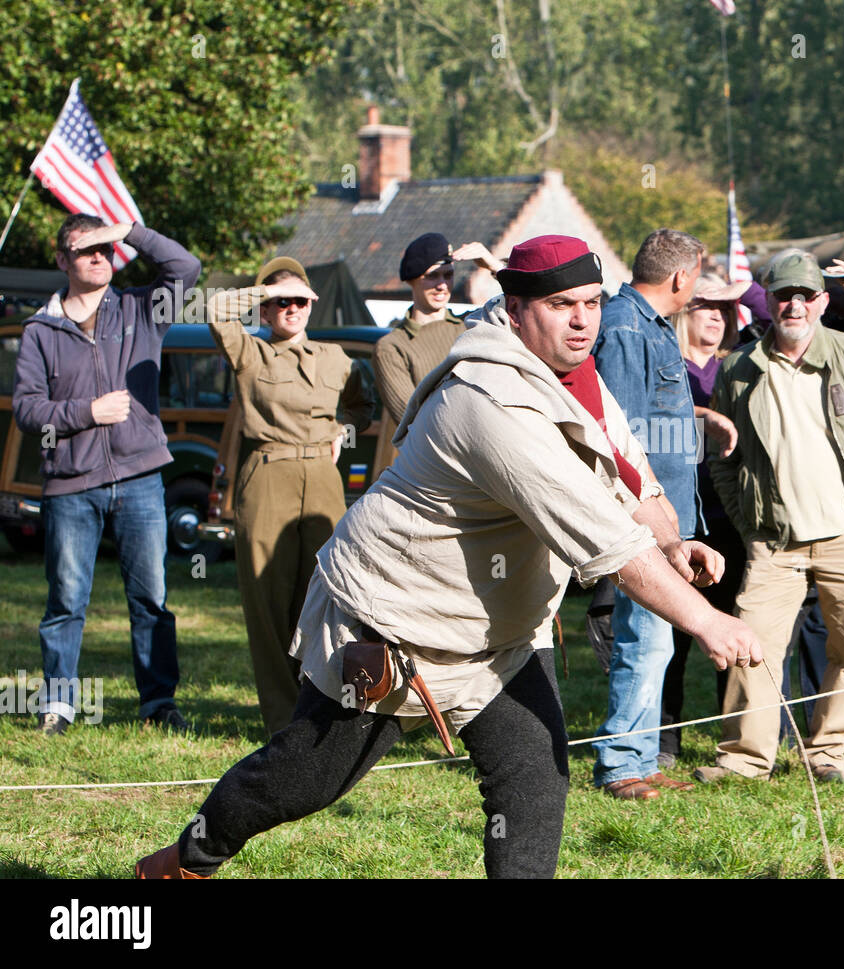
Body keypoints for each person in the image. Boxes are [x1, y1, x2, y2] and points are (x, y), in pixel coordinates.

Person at [134, 235, 760, 879]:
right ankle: (183, 862)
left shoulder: (574, 374)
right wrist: (708, 621)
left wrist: (672, 539)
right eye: (561, 304)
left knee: (533, 774)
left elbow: (627, 470)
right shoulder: (489, 402)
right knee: (306, 775)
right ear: (514, 310)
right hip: (393, 620)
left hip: (497, 631)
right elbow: (606, 544)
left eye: (592, 302)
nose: (582, 320)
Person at [695, 248, 844, 785]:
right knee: (749, 646)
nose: (794, 305)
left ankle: (830, 753)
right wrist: (748, 524)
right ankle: (744, 760)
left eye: (804, 295)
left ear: (822, 301)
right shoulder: (738, 367)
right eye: (783, 295)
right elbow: (723, 456)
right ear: (769, 302)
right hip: (774, 541)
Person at [14, 215, 200, 735]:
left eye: (105, 248)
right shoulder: (39, 330)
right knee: (66, 601)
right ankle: (58, 706)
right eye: (85, 249)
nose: (98, 257)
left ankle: (158, 704)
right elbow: (28, 411)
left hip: (141, 477)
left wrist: (132, 232)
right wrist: (86, 412)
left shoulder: (142, 308)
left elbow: (186, 266)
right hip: (71, 486)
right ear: (61, 261)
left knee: (151, 599)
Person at [206, 257, 375, 736]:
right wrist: (265, 290)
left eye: (301, 300)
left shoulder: (336, 358)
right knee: (267, 598)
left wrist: (345, 430)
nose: (292, 309)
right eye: (282, 302)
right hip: (268, 474)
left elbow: (364, 407)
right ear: (265, 309)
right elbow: (218, 310)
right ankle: (282, 718)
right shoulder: (250, 353)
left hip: (322, 477)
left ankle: (320, 705)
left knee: (324, 596)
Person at [590, 228, 706, 800]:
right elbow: (619, 437)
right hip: (643, 518)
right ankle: (621, 766)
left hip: (666, 516)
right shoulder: (626, 327)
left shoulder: (647, 325)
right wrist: (648, 516)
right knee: (644, 641)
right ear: (681, 278)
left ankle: (640, 755)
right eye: (697, 278)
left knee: (656, 640)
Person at [659, 272, 748, 767]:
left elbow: (764, 305)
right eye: (705, 305)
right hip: (678, 521)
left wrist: (736, 287)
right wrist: (700, 415)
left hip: (730, 518)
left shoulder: (737, 366)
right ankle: (665, 740)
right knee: (672, 636)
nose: (718, 315)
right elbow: (649, 412)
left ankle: (733, 736)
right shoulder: (667, 366)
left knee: (730, 628)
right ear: (682, 311)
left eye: (726, 308)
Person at [371, 233, 503, 424]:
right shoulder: (393, 346)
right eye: (432, 276)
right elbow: (411, 421)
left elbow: (526, 308)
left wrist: (495, 266)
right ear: (411, 279)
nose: (442, 285)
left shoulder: (472, 323)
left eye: (448, 275)